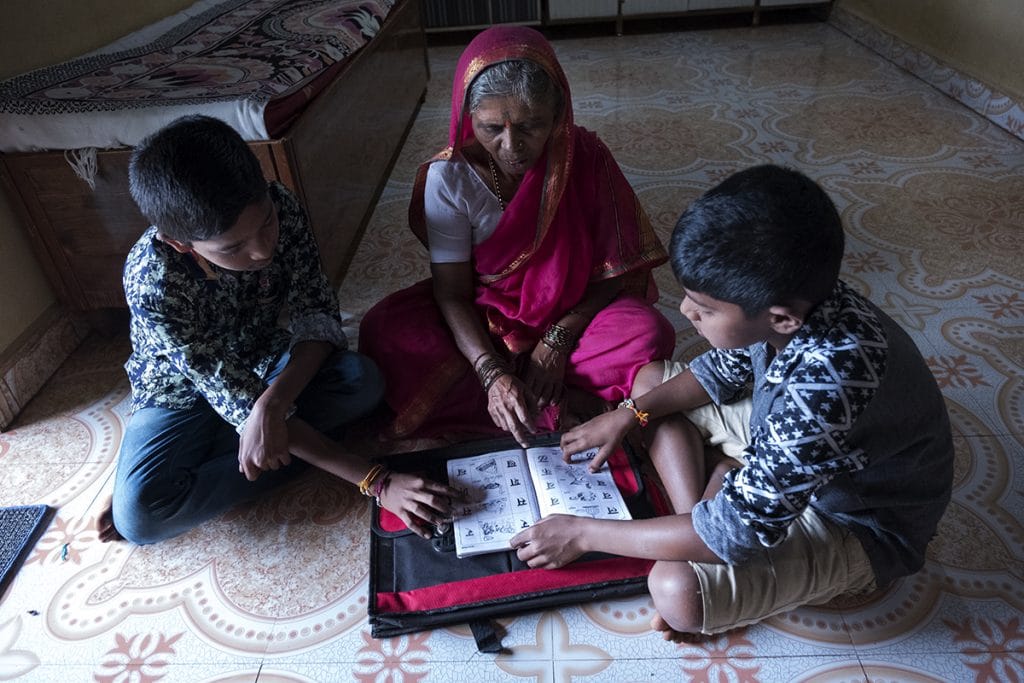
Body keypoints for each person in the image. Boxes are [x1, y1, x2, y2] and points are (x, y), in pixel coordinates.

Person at [510, 165, 954, 640]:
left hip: (858, 516)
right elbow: (722, 372)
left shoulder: (826, 385)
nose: (685, 312)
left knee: (677, 589)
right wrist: (629, 414)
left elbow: (737, 535)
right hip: (788, 448)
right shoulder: (797, 301)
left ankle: (751, 528)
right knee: (651, 381)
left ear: (780, 318)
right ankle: (704, 503)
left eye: (705, 308)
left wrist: (582, 532)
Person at [100, 115, 458, 545]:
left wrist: (269, 408)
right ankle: (272, 442)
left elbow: (315, 313)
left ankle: (265, 441)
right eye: (232, 248)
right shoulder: (152, 281)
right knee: (141, 516)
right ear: (181, 243)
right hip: (181, 393)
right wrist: (377, 481)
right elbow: (223, 388)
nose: (261, 249)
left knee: (361, 381)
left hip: (264, 360)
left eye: (265, 224)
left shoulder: (280, 204)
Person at [359, 26, 675, 446]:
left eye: (531, 126)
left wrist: (557, 340)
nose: (512, 146)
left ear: (559, 115)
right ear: (467, 117)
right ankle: (552, 402)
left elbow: (614, 272)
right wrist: (491, 373)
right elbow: (452, 292)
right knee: (387, 333)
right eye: (492, 128)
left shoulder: (585, 156)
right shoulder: (450, 178)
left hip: (574, 313)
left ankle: (531, 402)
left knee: (647, 332)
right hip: (486, 318)